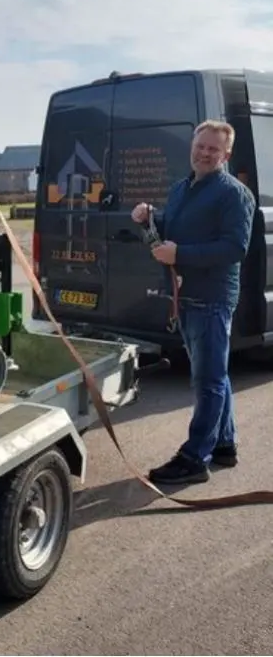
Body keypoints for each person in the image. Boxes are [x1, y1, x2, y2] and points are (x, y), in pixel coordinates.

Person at [131, 119, 256, 484]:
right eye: (201, 145)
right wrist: (146, 221)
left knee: (208, 380)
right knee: (215, 376)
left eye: (213, 149)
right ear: (193, 145)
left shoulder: (234, 194)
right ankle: (224, 445)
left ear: (226, 154)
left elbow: (235, 248)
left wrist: (180, 252)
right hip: (186, 297)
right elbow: (164, 237)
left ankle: (194, 457)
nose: (204, 153)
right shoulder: (181, 188)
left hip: (212, 300)